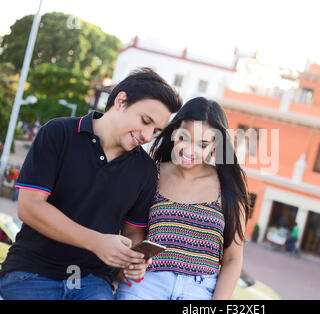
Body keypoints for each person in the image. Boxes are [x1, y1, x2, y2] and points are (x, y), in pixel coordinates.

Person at [0, 68, 182, 300]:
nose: (147, 136)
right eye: (145, 121)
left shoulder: (145, 170)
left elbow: (133, 231)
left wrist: (133, 259)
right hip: (31, 273)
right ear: (121, 101)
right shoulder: (58, 133)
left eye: (155, 131)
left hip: (92, 282)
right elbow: (29, 207)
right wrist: (96, 242)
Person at [115, 97, 250, 300]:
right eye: (183, 138)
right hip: (147, 283)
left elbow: (233, 259)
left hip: (200, 290)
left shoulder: (229, 184)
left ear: (216, 145)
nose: (189, 150)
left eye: (202, 144)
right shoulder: (152, 173)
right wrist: (136, 259)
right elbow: (133, 230)